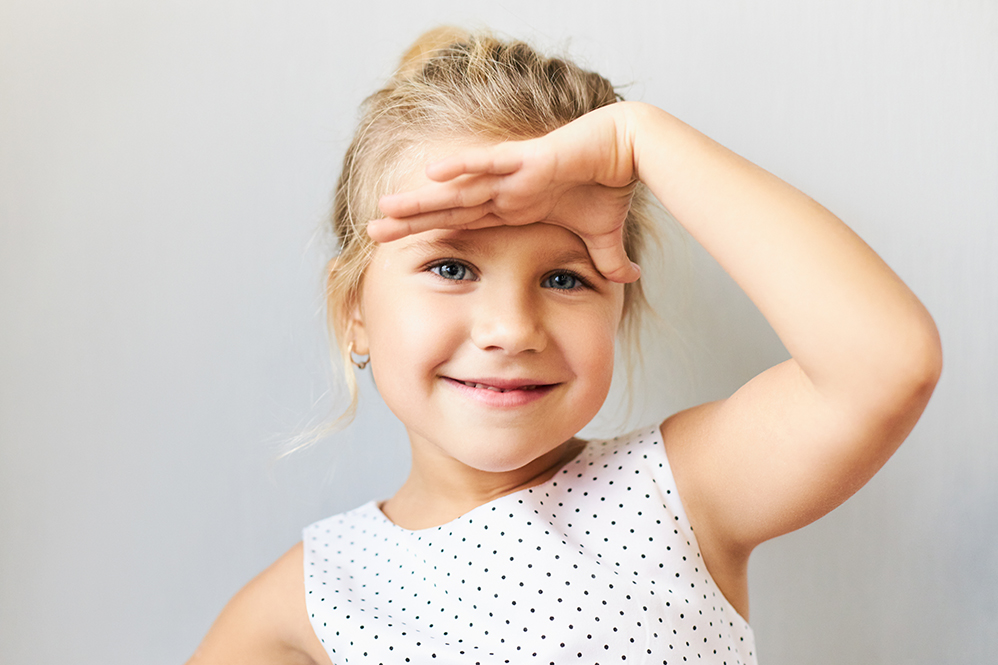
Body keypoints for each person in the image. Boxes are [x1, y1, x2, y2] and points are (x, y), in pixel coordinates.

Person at [186, 27, 941, 664]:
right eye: (451, 267)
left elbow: (887, 365)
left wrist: (639, 139)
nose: (512, 328)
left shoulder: (679, 494)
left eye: (563, 277)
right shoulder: (305, 604)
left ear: (620, 302)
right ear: (352, 308)